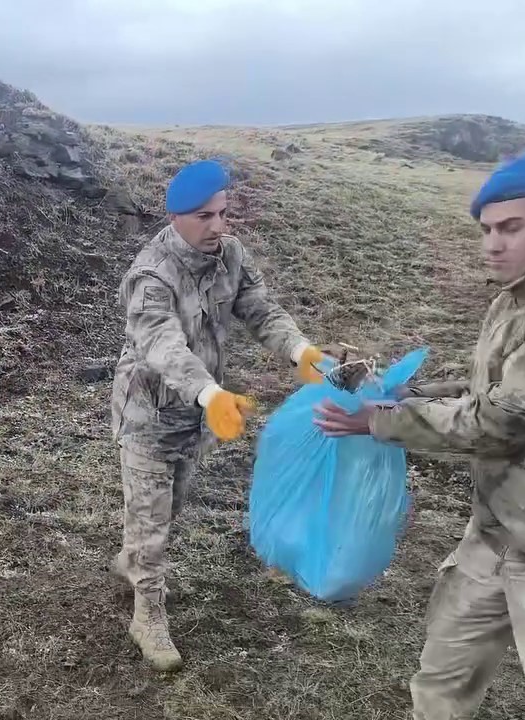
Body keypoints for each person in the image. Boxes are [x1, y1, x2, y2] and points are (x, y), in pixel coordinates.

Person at [313, 148, 525, 720]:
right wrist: (403, 396)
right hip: (495, 533)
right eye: (487, 229)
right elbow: (484, 389)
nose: (492, 243)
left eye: (511, 228)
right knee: (440, 686)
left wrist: (378, 421)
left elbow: (502, 419)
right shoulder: (515, 298)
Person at [110, 158, 360, 672]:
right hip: (148, 415)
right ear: (176, 216)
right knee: (153, 521)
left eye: (223, 214)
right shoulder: (149, 275)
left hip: (198, 414)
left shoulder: (230, 255)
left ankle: (133, 559)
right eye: (205, 217)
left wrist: (301, 352)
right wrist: (209, 393)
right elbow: (162, 343)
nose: (218, 226)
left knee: (169, 508)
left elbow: (260, 308)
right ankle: (147, 614)